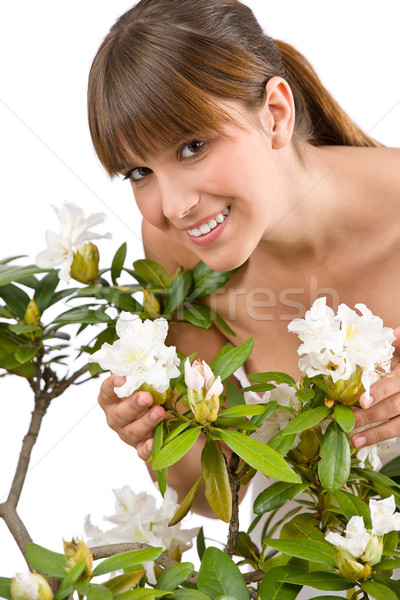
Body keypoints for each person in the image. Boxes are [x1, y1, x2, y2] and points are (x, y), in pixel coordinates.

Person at [88, 0, 400, 516]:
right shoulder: (175, 248)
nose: (173, 206)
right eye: (139, 172)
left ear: (275, 114)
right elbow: (221, 497)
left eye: (192, 146)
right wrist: (156, 430)